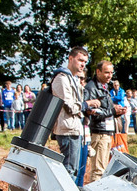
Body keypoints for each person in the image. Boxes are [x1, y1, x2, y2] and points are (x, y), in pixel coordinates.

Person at [51, 47, 88, 179]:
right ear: (70, 59)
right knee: (69, 170)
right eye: (80, 60)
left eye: (85, 62)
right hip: (67, 129)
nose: (83, 64)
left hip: (74, 128)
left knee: (74, 170)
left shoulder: (73, 79)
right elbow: (69, 106)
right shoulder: (62, 78)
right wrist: (87, 105)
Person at [83, 60, 121, 182]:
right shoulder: (91, 88)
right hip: (99, 132)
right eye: (106, 72)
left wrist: (116, 112)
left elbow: (105, 110)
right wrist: (113, 111)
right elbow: (92, 113)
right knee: (98, 170)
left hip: (106, 131)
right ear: (98, 72)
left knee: (103, 168)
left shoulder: (104, 87)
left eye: (111, 73)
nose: (109, 75)